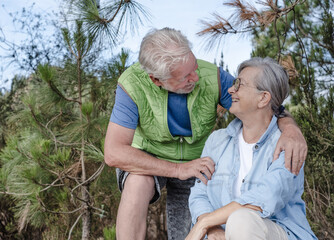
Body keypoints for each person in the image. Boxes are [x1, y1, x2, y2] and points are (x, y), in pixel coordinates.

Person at [104, 28, 307, 240]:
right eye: (186, 76)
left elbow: (264, 108)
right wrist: (177, 169)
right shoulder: (132, 85)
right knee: (137, 183)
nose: (196, 76)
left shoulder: (214, 78)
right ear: (157, 80)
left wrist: (291, 129)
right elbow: (114, 152)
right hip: (151, 156)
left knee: (193, 231)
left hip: (198, 162)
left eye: (194, 66)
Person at [186, 57, 317, 240]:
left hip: (277, 233)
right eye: (233, 83)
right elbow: (199, 193)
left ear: (263, 98)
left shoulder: (287, 144)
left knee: (241, 221)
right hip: (221, 234)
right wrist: (212, 228)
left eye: (240, 84)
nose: (231, 89)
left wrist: (204, 222)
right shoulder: (217, 140)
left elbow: (265, 197)